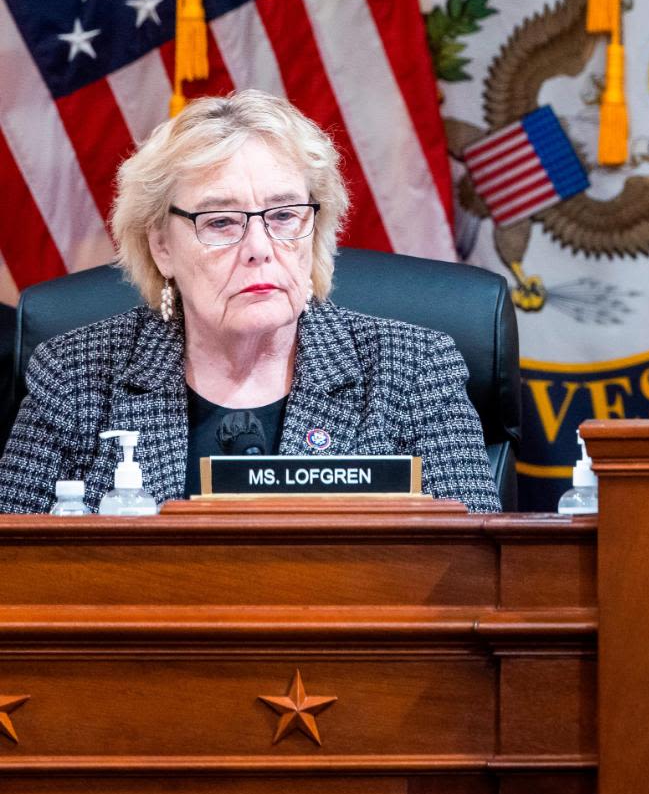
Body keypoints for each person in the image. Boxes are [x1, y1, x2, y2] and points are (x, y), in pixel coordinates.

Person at [0, 91, 501, 513]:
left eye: (283, 216)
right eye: (220, 222)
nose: (259, 248)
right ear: (161, 246)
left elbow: (476, 573)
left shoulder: (412, 369)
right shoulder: (76, 376)